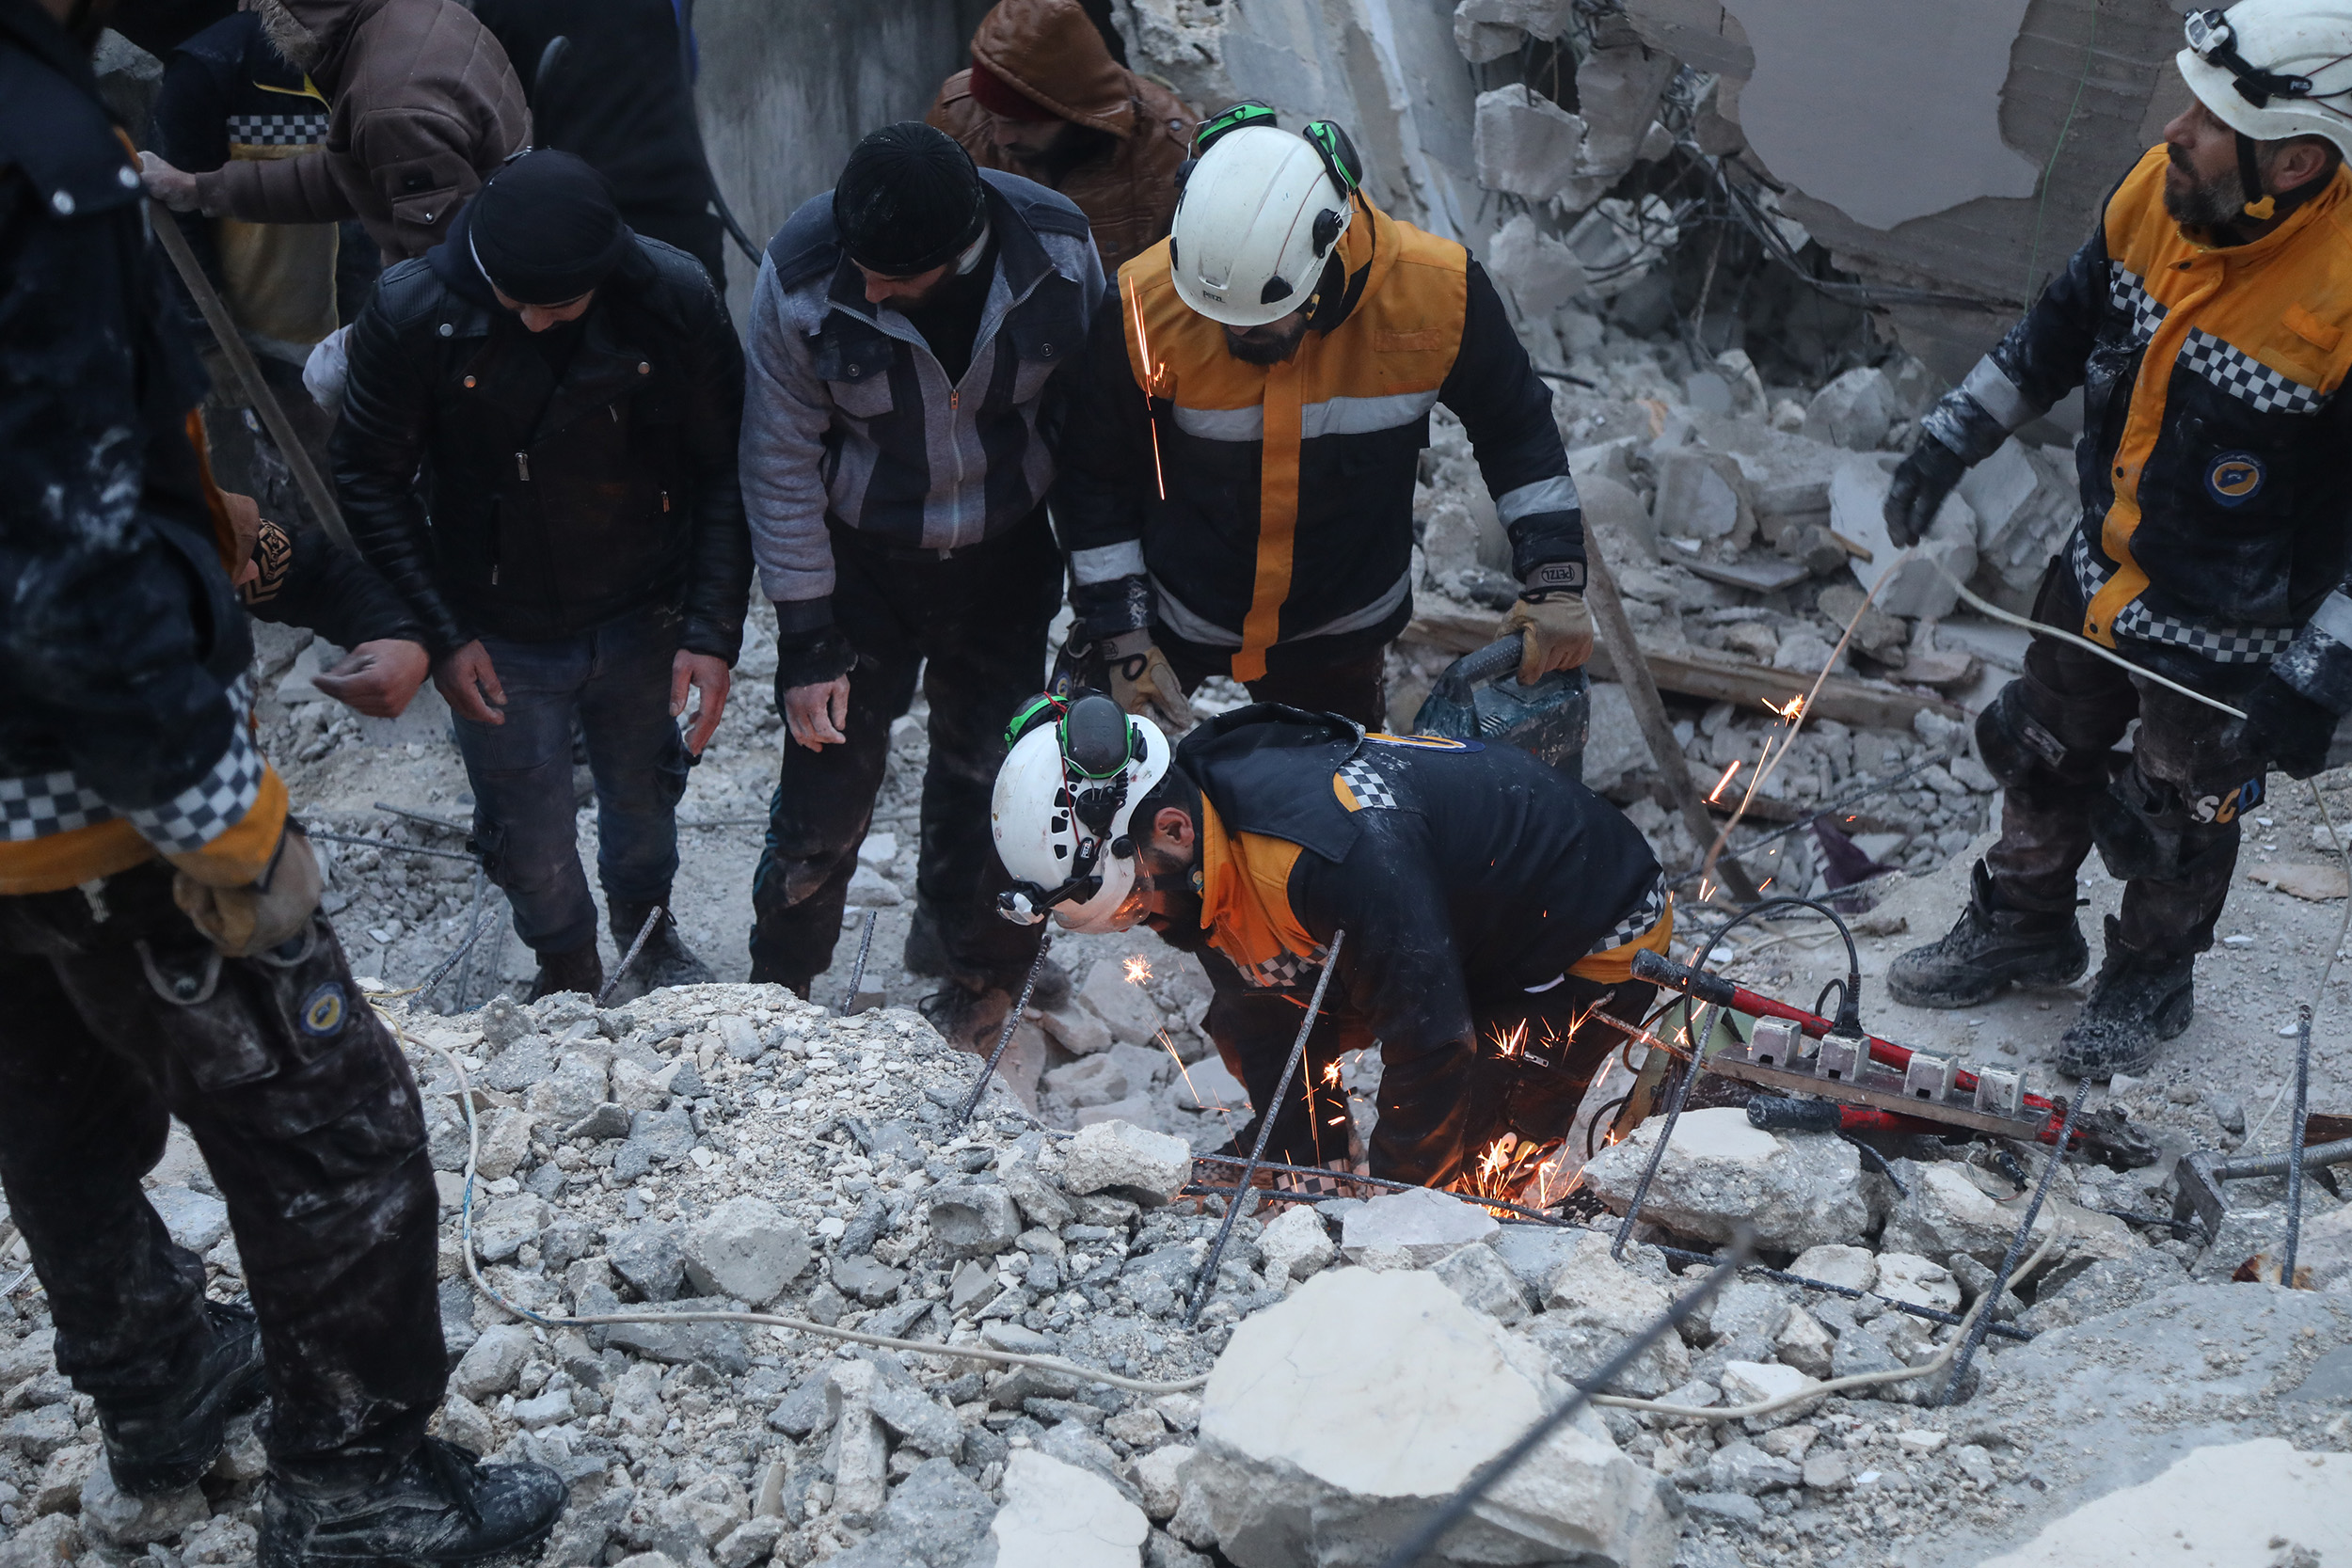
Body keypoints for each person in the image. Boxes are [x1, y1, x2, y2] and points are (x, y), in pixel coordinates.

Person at [0, 0, 564, 1561]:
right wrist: (214, 813)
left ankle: (161, 1377)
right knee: (331, 1118)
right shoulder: (39, 153)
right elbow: (60, 535)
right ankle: (361, 1475)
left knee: (50, 1091)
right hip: (82, 781)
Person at [1881, 0, 2352, 1080]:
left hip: (2233, 623)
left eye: (2208, 118)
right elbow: (2053, 329)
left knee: (2180, 805)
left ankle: (2149, 977)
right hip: (2099, 570)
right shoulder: (2156, 194)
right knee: (2043, 746)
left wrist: (2309, 682)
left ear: (2290, 163)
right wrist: (1948, 440)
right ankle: (2023, 922)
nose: (2173, 132)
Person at [334, 149, 750, 1001]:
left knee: (644, 795)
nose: (531, 322)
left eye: (556, 306)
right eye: (514, 303)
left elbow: (724, 469)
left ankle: (647, 933)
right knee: (525, 828)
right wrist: (442, 634)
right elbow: (368, 482)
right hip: (495, 618)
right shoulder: (417, 315)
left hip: (643, 602)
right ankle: (565, 966)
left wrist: (711, 630)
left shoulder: (670, 300)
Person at [992, 693, 1670, 1189]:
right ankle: (1308, 1143)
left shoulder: (1332, 853)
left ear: (1172, 831)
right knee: (1247, 1006)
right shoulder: (1201, 820)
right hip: (1450, 918)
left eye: (1136, 900)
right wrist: (1300, 1137)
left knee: (1470, 1168)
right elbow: (1259, 994)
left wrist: (1392, 1206)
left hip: (1586, 932)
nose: (1142, 917)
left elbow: (1431, 1040)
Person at [1057, 109, 1594, 734]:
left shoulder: (1437, 297)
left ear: (1324, 255)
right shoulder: (1142, 309)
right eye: (1215, 314)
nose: (1234, 334)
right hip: (1177, 610)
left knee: (1331, 815)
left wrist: (1554, 581)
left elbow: (1517, 430)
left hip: (1338, 626)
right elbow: (1091, 474)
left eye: (1261, 318)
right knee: (1086, 783)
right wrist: (1121, 636)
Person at [739, 122, 1104, 1040]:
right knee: (826, 794)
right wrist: (807, 633)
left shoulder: (1055, 257)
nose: (864, 289)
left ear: (956, 255)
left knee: (995, 780)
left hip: (1005, 553)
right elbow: (778, 459)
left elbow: (1095, 425)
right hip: (862, 563)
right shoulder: (803, 272)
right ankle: (779, 985)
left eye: (889, 279)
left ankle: (978, 968)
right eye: (858, 269)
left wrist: (1107, 590)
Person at [146, 6, 378, 523]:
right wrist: (208, 341)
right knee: (310, 481)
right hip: (277, 341)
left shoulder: (378, 45)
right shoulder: (214, 66)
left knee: (385, 468)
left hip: (377, 320)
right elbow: (174, 216)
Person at [135, 0, 529, 266]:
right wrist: (198, 188)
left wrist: (368, 342)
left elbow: (445, 277)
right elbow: (356, 173)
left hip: (485, 333)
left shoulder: (390, 105)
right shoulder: (419, 14)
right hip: (522, 251)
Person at [470, 0, 734, 284]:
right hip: (671, 213)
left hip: (568, 228)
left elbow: (496, 110)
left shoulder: (494, 11)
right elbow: (687, 65)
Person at [925, 0, 1193, 277]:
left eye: (1021, 123)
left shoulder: (1169, 152)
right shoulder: (956, 117)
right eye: (990, 115)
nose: (1000, 137)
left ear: (1078, 115)